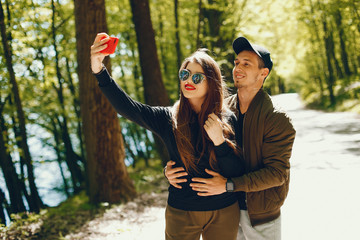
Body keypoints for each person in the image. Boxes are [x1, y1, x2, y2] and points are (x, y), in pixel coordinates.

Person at [90, 33, 245, 240]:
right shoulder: (168, 118)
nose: (188, 80)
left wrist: (220, 142)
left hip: (224, 211)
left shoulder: (228, 118)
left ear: (212, 82)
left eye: (196, 77)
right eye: (184, 75)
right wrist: (99, 70)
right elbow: (128, 107)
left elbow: (238, 170)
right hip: (182, 211)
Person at [165, 36, 296, 240]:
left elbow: (276, 174)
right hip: (227, 208)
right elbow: (192, 146)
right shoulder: (220, 110)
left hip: (261, 215)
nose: (238, 67)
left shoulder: (276, 119)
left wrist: (228, 184)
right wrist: (169, 170)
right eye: (236, 62)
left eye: (246, 64)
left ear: (263, 73)